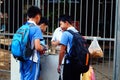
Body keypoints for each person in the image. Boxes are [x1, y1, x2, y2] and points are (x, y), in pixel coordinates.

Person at [20, 6, 46, 80]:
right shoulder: (36, 28)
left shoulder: (23, 26)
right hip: (32, 60)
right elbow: (37, 47)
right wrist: (44, 47)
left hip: (22, 58)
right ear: (37, 16)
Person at [57, 15, 81, 80]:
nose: (60, 27)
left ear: (66, 23)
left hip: (69, 63)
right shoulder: (77, 32)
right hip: (78, 63)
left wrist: (59, 64)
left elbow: (62, 51)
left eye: (61, 24)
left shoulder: (66, 33)